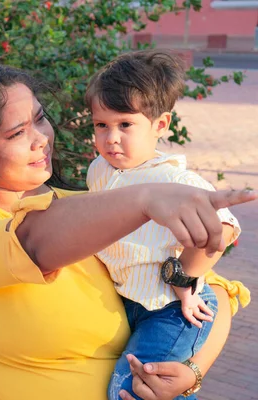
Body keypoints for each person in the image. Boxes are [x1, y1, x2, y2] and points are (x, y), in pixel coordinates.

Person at [0, 63, 256, 400]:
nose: (41, 139)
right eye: (17, 133)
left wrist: (192, 372)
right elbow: (32, 241)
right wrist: (146, 197)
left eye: (41, 119)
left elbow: (214, 292)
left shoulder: (95, 203)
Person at [84, 50, 243, 400]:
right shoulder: (99, 169)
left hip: (172, 308)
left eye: (125, 125)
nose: (111, 138)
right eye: (101, 125)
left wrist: (185, 277)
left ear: (160, 125)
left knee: (133, 389)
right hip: (130, 301)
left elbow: (224, 226)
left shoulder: (173, 177)